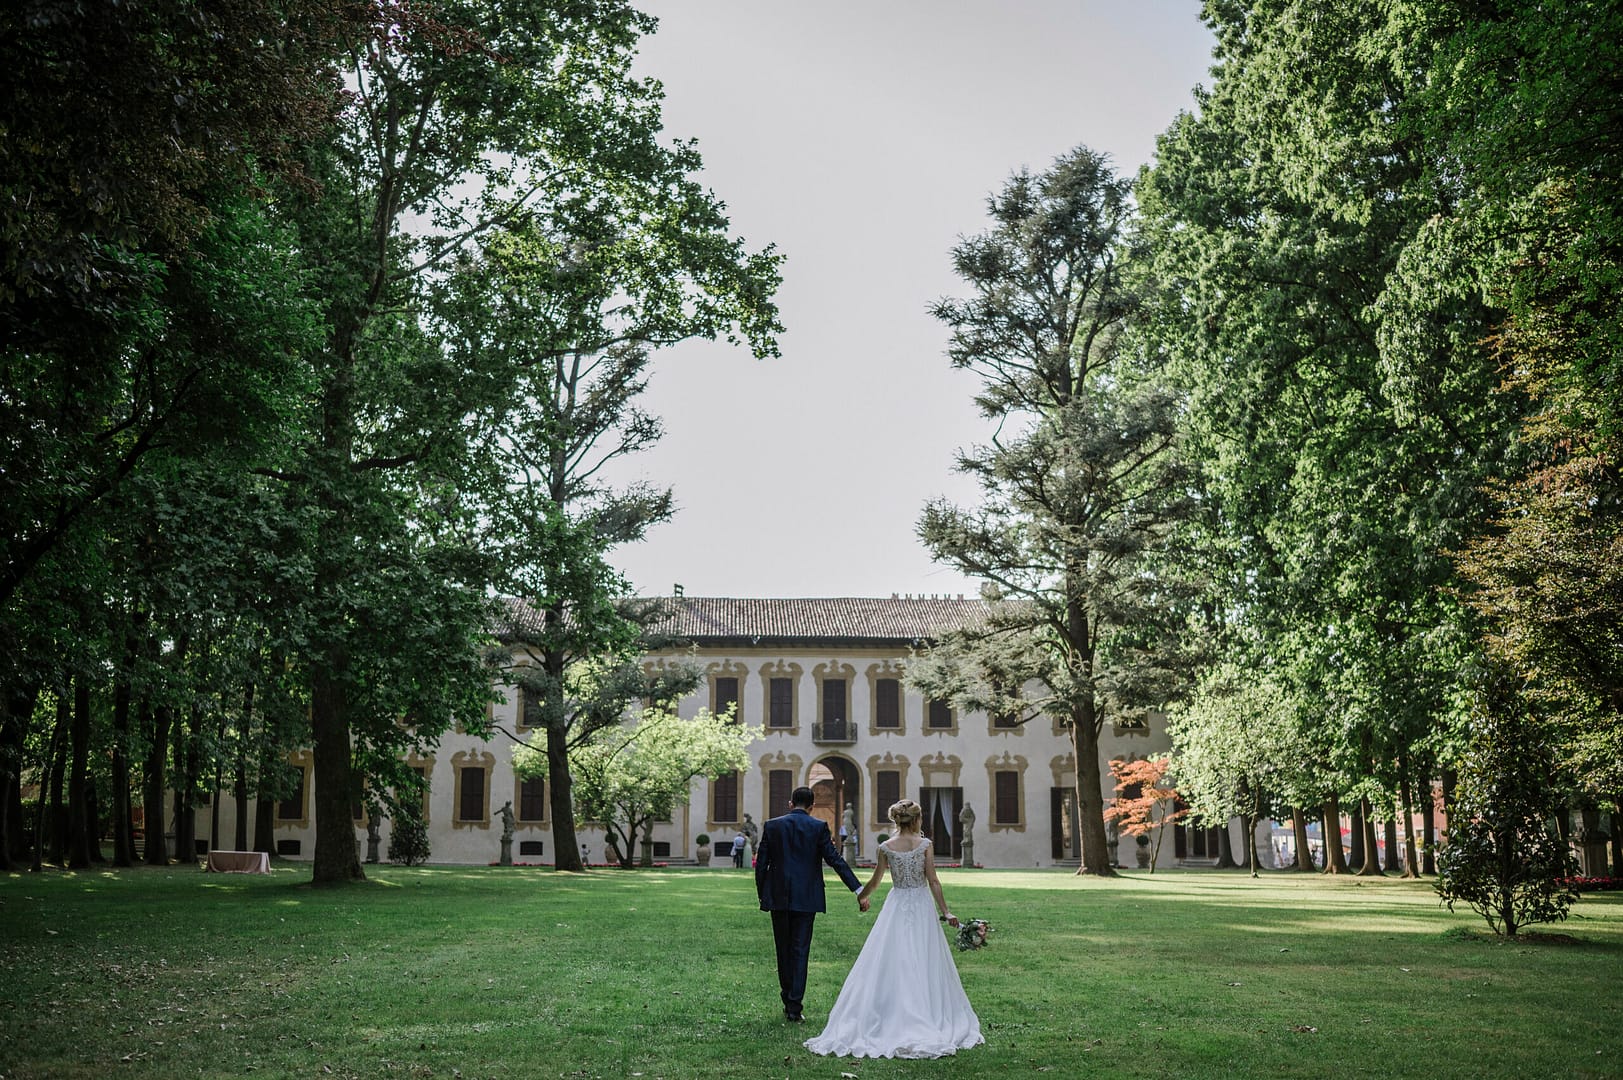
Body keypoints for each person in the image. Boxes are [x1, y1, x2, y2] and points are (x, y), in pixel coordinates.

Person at [804, 798, 983, 1059]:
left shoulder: (886, 847)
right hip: (921, 905)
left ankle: (893, 1011)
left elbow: (876, 881)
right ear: (918, 820)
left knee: (893, 957)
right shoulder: (925, 845)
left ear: (896, 820)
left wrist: (861, 896)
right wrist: (946, 911)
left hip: (897, 904)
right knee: (923, 957)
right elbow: (933, 880)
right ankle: (925, 1011)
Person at [755, 786, 866, 1023]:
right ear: (812, 806)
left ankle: (788, 999)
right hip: (807, 896)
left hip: (778, 896)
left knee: (782, 950)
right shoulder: (818, 827)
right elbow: (835, 860)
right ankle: (794, 1006)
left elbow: (761, 863)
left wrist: (762, 894)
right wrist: (858, 889)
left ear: (790, 803)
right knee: (800, 950)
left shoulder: (772, 826)